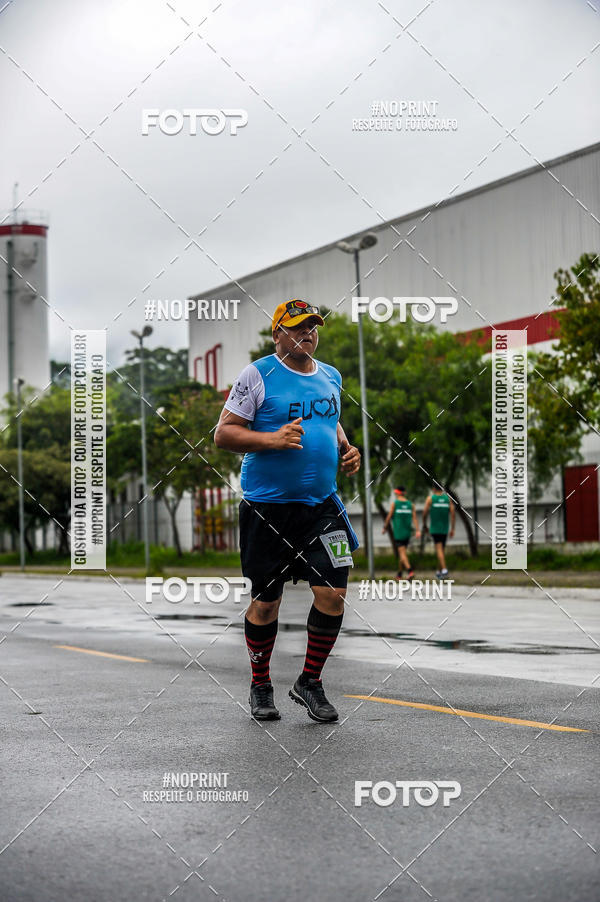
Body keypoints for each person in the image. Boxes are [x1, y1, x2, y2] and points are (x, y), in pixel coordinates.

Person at [214, 299, 361, 723]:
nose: (306, 334)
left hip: (322, 507)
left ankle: (309, 682)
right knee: (265, 604)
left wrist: (346, 448)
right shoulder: (257, 375)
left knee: (333, 595)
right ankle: (261, 685)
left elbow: (330, 420)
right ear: (277, 333)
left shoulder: (330, 375)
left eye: (312, 327)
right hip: (268, 509)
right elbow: (224, 433)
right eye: (297, 328)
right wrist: (271, 440)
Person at [382, 486, 420, 579]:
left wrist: (385, 527)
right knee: (402, 554)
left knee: (402, 554)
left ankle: (410, 571)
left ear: (397, 493)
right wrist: (417, 530)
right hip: (407, 533)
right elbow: (415, 518)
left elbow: (389, 517)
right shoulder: (410, 504)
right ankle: (399, 574)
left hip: (398, 533)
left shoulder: (395, 504)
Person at [421, 485, 455, 578]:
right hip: (445, 528)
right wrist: (452, 528)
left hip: (435, 528)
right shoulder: (448, 499)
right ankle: (439, 572)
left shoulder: (430, 499)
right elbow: (453, 514)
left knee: (439, 550)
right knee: (441, 550)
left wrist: (424, 524)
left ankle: (444, 570)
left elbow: (424, 513)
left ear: (434, 489)